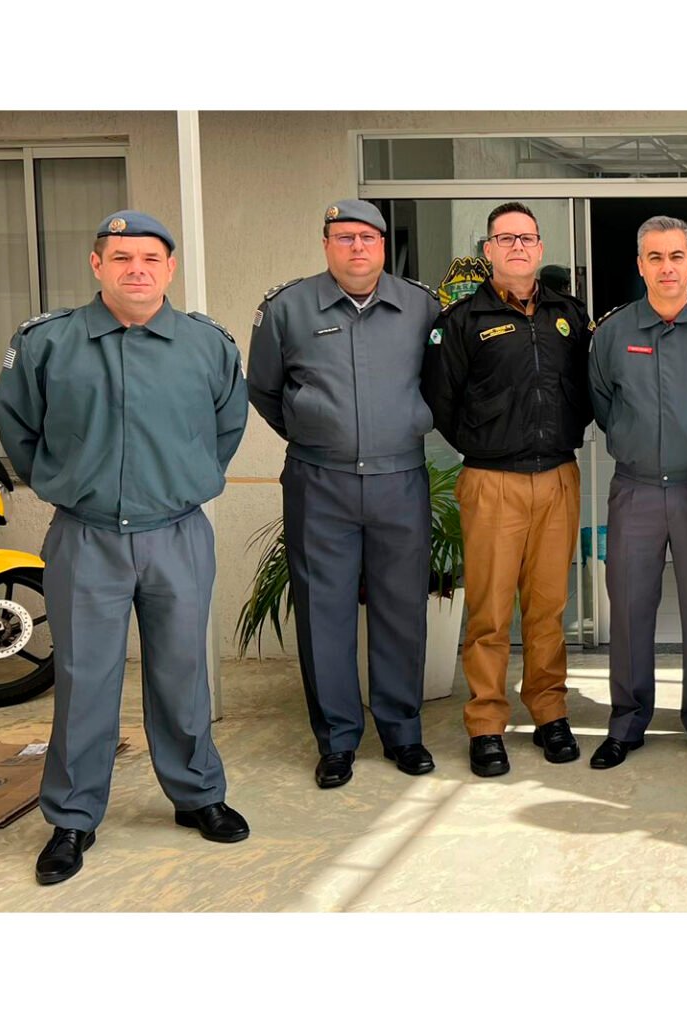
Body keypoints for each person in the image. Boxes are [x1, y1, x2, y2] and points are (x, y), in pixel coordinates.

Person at [0, 210, 250, 885]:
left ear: (169, 268)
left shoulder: (205, 345)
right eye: (121, 257)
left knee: (180, 672)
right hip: (86, 536)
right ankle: (73, 816)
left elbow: (227, 426)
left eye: (150, 258)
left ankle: (198, 793)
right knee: (84, 679)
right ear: (97, 265)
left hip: (177, 532)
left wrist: (177, 483)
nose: (136, 268)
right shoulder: (50, 343)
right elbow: (18, 427)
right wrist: (69, 482)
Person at [247, 199, 438, 789]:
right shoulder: (287, 308)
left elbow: (440, 383)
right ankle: (336, 740)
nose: (357, 248)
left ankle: (403, 732)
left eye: (368, 238)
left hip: (399, 479)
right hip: (319, 482)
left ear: (384, 245)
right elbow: (265, 390)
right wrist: (317, 428)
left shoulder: (420, 305)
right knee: (323, 613)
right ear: (326, 244)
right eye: (344, 237)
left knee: (401, 608)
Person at [422, 202, 593, 777]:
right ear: (488, 250)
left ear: (541, 249)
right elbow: (441, 399)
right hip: (492, 481)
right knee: (491, 611)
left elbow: (588, 390)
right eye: (505, 238)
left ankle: (549, 712)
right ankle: (487, 723)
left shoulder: (569, 314)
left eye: (527, 238)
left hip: (558, 477)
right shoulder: (462, 320)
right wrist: (487, 441)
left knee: (548, 607)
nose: (518, 247)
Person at [587, 216, 687, 771]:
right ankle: (627, 721)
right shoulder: (613, 332)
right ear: (640, 265)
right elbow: (604, 404)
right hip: (634, 488)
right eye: (654, 257)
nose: (666, 268)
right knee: (630, 608)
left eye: (676, 256)